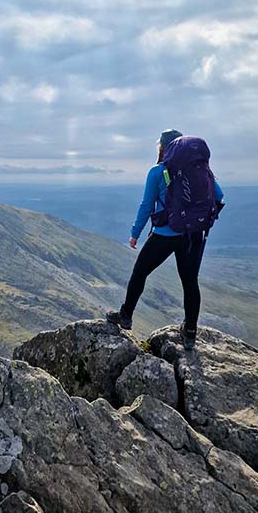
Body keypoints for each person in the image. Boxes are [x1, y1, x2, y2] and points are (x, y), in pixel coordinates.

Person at [106, 129, 224, 349]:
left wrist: (135, 233)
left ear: (163, 148)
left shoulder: (157, 172)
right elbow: (219, 195)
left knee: (140, 272)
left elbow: (146, 205)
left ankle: (125, 316)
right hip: (192, 236)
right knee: (190, 282)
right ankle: (190, 334)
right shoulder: (201, 170)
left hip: (164, 235)